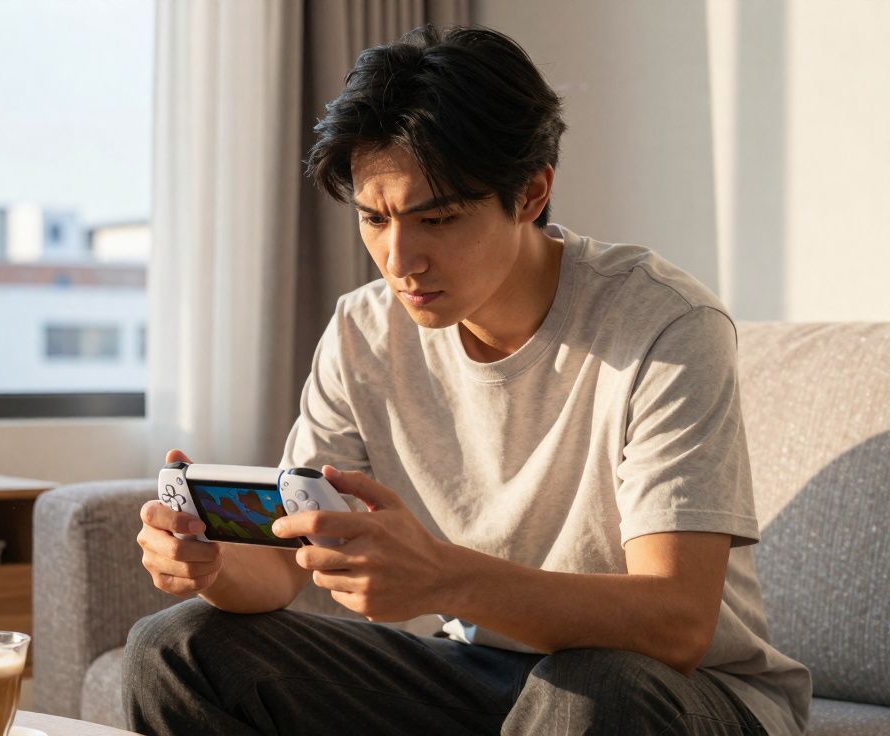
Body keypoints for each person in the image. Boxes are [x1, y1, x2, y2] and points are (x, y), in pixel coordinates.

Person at [124, 25, 810, 736]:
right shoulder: (363, 333)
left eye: (438, 218)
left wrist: (442, 576)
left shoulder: (665, 327)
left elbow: (676, 624)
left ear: (532, 193)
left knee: (593, 685)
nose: (399, 260)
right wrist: (210, 566)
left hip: (682, 692)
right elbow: (284, 568)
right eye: (374, 219)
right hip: (483, 674)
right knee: (179, 648)